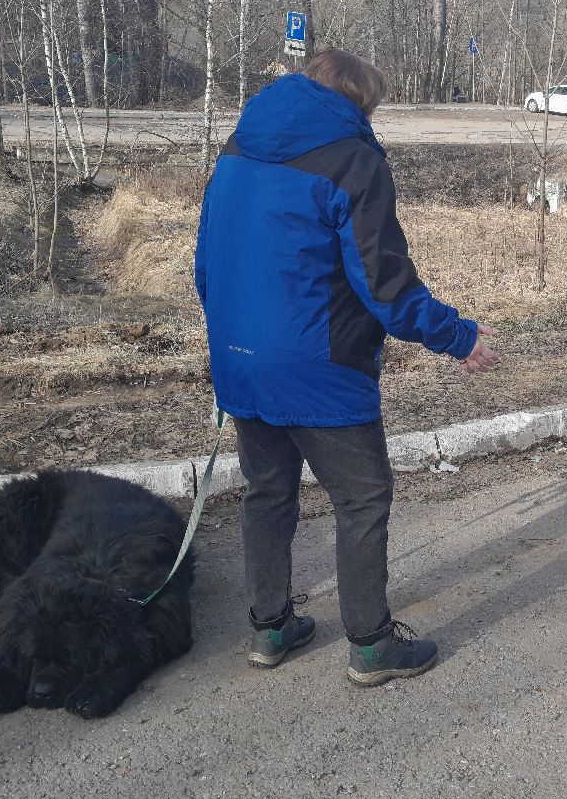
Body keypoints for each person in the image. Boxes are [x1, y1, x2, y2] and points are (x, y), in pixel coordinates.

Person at [194, 49, 498, 684]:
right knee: (363, 497)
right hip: (319, 365)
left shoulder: (235, 150)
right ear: (360, 104)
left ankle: (270, 628)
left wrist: (231, 345)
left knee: (268, 492)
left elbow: (206, 263)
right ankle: (371, 643)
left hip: (239, 361)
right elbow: (386, 288)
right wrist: (460, 337)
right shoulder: (354, 161)